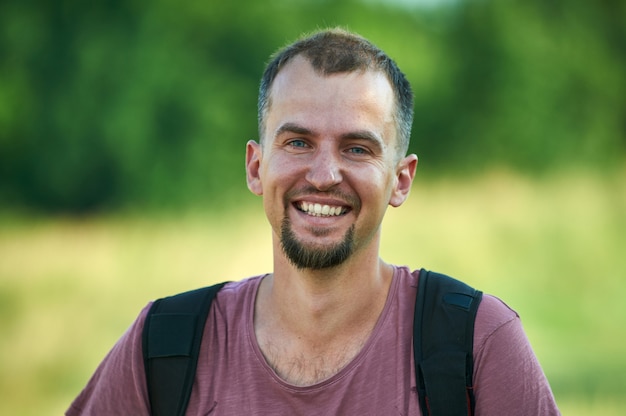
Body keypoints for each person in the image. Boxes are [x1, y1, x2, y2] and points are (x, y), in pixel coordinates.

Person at [67, 28, 560, 415]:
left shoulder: (474, 343)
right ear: (256, 166)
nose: (324, 175)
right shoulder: (165, 346)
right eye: (298, 143)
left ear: (401, 179)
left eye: (357, 148)